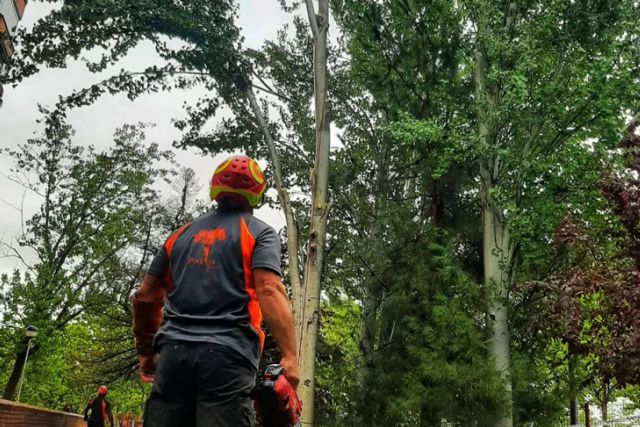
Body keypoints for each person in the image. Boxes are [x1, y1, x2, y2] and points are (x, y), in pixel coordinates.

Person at [132, 155, 299, 427]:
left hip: (173, 355)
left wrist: (146, 351)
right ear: (256, 194)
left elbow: (146, 296)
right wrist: (290, 356)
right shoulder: (260, 233)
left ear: (215, 188)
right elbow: (269, 289)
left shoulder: (179, 235)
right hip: (227, 358)